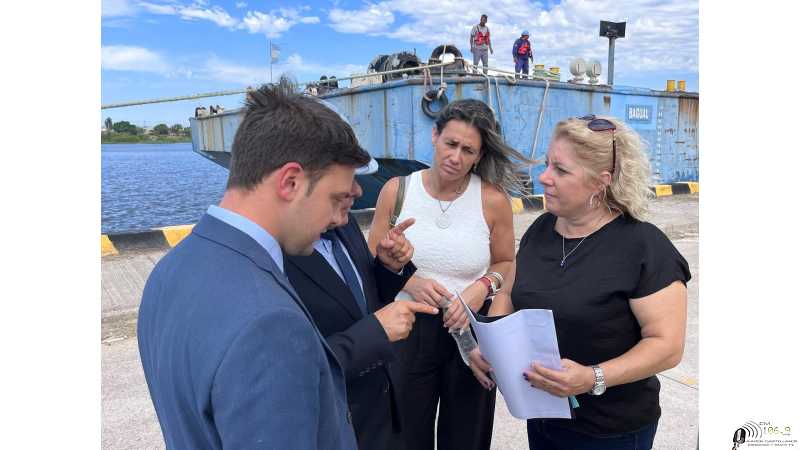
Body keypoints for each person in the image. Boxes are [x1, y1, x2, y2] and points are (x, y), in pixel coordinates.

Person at [137, 81, 372, 450]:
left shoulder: (169, 271)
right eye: (334, 198)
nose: (339, 219)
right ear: (290, 182)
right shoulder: (270, 324)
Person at [470, 114, 691, 449]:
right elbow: (511, 292)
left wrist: (591, 378)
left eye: (560, 170)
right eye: (547, 164)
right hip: (543, 417)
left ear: (600, 182)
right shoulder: (541, 229)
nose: (543, 177)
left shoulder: (643, 246)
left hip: (612, 431)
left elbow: (667, 346)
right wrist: (494, 344)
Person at [367, 99, 531, 450]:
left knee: (466, 439)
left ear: (479, 155)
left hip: (470, 332)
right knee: (405, 438)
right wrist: (411, 281)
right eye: (450, 143)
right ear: (435, 136)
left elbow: (506, 263)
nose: (455, 157)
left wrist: (481, 287)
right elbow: (372, 257)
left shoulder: (492, 200)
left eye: (467, 150)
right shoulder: (397, 191)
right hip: (407, 330)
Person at [285, 152, 439, 450]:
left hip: (383, 414)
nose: (357, 190)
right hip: (336, 424)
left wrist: (389, 267)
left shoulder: (343, 223)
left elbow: (362, 298)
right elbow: (293, 367)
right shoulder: (275, 253)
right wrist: (375, 333)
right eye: (348, 180)